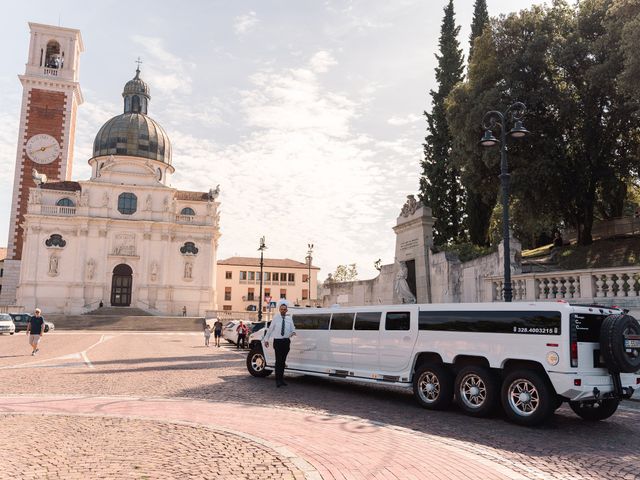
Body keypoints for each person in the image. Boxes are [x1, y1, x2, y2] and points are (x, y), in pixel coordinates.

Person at [264, 300, 296, 387]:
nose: (283, 310)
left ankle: (282, 379)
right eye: (281, 309)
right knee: (278, 361)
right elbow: (270, 330)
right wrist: (266, 340)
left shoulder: (289, 319)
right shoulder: (275, 318)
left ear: (287, 310)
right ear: (279, 309)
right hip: (277, 342)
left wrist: (292, 333)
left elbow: (293, 329)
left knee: (283, 361)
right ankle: (277, 380)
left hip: (286, 342)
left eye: (284, 309)